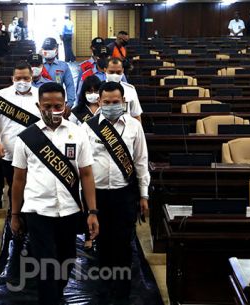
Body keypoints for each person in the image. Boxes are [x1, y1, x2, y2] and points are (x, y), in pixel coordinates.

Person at [11, 82, 99, 305]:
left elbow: (87, 174)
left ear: (65, 105)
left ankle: (57, 293)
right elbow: (18, 179)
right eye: (47, 106)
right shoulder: (26, 137)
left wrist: (92, 211)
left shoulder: (77, 133)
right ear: (38, 106)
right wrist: (14, 215)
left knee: (67, 259)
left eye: (57, 105)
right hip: (37, 210)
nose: (52, 110)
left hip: (69, 209)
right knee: (45, 263)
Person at [81, 81, 149, 304]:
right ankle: (103, 290)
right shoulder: (87, 128)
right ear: (99, 102)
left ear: (123, 102)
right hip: (97, 196)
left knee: (123, 245)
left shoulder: (134, 126)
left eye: (115, 102)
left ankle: (122, 293)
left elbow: (141, 162)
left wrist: (144, 194)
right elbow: (82, 167)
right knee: (102, 244)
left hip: (124, 195)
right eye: (107, 102)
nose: (111, 105)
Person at [0, 61, 41, 209]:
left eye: (26, 78)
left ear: (32, 77)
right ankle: (15, 219)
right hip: (10, 154)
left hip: (37, 153)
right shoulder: (2, 95)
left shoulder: (40, 95)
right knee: (15, 188)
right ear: (12, 78)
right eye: (18, 78)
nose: (22, 82)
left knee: (35, 189)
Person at [40, 37, 76, 109]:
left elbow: (70, 85)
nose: (48, 51)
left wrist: (70, 103)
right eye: (46, 49)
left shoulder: (63, 66)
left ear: (56, 50)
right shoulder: (38, 65)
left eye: (50, 49)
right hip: (41, 102)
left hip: (58, 102)